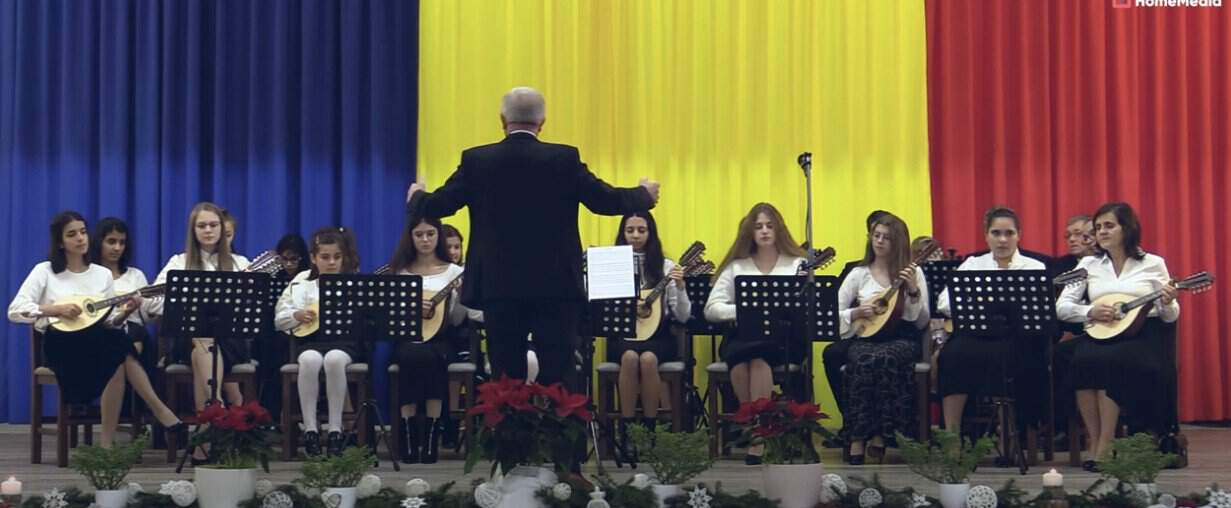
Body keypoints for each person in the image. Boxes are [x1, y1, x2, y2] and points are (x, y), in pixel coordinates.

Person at [404, 86, 659, 387]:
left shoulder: (477, 161)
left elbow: (440, 205)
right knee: (558, 377)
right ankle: (556, 418)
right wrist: (643, 195)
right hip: (555, 285)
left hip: (498, 286)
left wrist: (417, 196)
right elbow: (604, 200)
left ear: (502, 120)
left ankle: (509, 419)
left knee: (505, 379)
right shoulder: (564, 158)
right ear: (542, 122)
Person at [8, 212, 185, 448]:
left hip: (98, 342)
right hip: (60, 343)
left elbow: (110, 322)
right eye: (72, 234)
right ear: (60, 242)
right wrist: (55, 309)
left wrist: (125, 312)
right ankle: (158, 410)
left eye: (83, 232)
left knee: (115, 349)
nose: (80, 238)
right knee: (116, 347)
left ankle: (107, 444)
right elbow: (16, 310)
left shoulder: (101, 275)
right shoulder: (45, 271)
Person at [1057, 202, 1179, 472]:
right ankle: (1094, 439)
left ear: (1127, 228)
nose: (1101, 231)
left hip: (1142, 334)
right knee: (1080, 360)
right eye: (1098, 227)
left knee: (1110, 360)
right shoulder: (1088, 264)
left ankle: (1107, 442)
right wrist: (1089, 311)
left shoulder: (1152, 263)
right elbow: (1062, 306)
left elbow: (1170, 316)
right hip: (1102, 331)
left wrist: (1168, 301)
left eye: (1109, 226)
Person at [703, 202, 809, 465]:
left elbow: (806, 309)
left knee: (757, 358)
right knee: (742, 359)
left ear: (778, 230)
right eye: (758, 226)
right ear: (749, 232)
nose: (764, 231)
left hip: (783, 340)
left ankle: (757, 433)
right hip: (743, 336)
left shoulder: (797, 264)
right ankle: (758, 430)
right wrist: (745, 311)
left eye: (769, 226)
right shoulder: (736, 267)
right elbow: (711, 309)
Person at [934, 207, 1047, 432]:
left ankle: (1008, 431)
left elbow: (1041, 307)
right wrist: (978, 304)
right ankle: (952, 435)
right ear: (986, 236)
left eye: (1009, 233)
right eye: (996, 233)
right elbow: (944, 302)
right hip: (976, 335)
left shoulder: (1034, 267)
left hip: (1016, 338)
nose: (1002, 239)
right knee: (951, 356)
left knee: (1011, 360)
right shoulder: (972, 264)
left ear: (1019, 235)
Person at [836, 212, 929, 465]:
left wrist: (913, 290)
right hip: (866, 337)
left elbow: (921, 321)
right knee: (864, 361)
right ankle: (858, 437)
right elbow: (834, 312)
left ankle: (881, 435)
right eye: (876, 236)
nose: (879, 241)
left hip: (902, 338)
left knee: (886, 359)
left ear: (898, 242)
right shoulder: (859, 273)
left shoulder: (913, 272)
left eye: (886, 237)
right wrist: (856, 312)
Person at [609, 211, 691, 463]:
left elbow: (683, 316)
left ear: (650, 233)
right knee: (630, 357)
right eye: (630, 230)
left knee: (648, 360)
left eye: (641, 230)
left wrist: (680, 287)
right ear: (622, 233)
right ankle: (627, 432)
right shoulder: (613, 264)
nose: (635, 236)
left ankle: (649, 431)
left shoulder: (666, 267)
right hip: (623, 335)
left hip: (659, 337)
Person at [275, 227, 362, 457]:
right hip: (311, 342)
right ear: (313, 258)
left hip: (344, 343)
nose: (331, 262)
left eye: (337, 257)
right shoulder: (302, 284)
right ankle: (310, 429)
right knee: (309, 360)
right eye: (325, 257)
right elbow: (279, 320)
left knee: (334, 360)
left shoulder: (353, 284)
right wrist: (296, 315)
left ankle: (335, 430)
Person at [389, 216, 469, 464]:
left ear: (438, 236)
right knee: (411, 354)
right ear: (410, 238)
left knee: (432, 356)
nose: (425, 240)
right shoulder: (400, 272)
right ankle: (410, 435)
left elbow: (456, 320)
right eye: (419, 234)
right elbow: (390, 317)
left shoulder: (455, 272)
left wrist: (460, 298)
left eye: (430, 234)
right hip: (408, 340)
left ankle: (432, 435)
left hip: (443, 340)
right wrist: (411, 310)